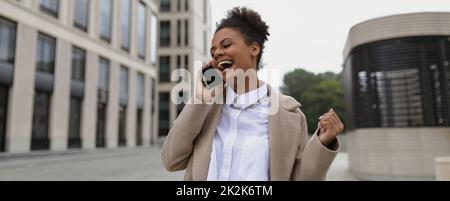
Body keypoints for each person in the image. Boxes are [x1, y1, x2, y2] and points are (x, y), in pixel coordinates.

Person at [161, 7, 344, 181]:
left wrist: (323, 143)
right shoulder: (206, 108)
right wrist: (200, 100)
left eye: (226, 45)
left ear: (254, 49)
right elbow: (171, 160)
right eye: (213, 51)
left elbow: (299, 177)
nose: (217, 53)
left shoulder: (291, 115)